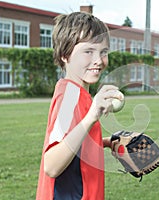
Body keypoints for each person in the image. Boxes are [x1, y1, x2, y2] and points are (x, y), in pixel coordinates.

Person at [36, 12, 123, 199]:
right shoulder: (69, 97)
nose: (99, 60)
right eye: (88, 51)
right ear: (65, 55)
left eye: (103, 51)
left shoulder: (78, 94)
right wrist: (92, 116)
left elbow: (73, 143)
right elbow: (51, 165)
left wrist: (106, 143)